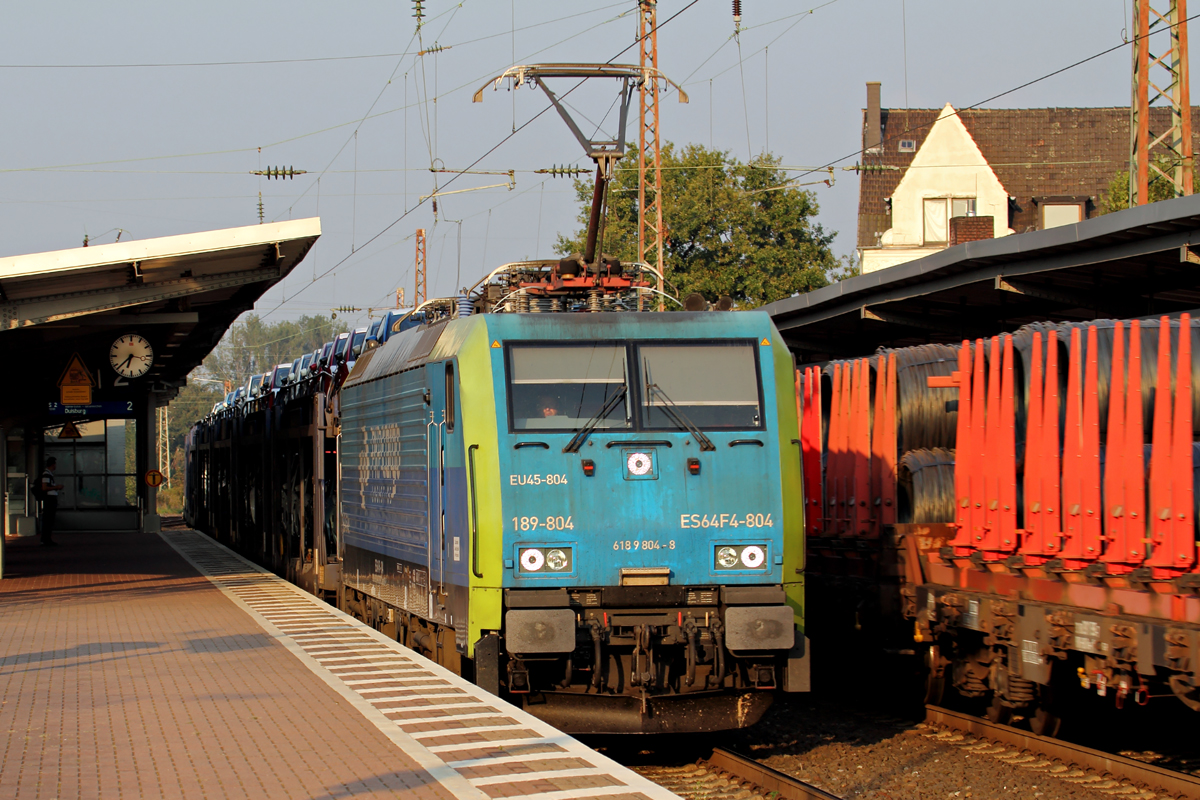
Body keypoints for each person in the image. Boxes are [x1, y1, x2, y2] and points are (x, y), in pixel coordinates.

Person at [40, 457, 64, 547]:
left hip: (50, 499)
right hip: (49, 499)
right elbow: (44, 487)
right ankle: (45, 539)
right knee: (48, 520)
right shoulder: (46, 474)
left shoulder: (49, 474)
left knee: (49, 520)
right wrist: (56, 487)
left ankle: (46, 539)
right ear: (53, 464)